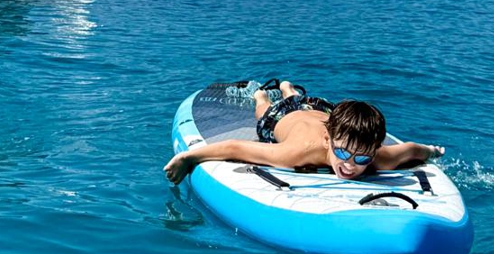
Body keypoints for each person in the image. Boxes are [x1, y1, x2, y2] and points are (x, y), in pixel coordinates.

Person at [164, 79, 445, 184]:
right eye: (342, 152)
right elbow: (235, 148)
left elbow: (410, 149)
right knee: (263, 113)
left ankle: (289, 89)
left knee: (299, 98)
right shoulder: (295, 152)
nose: (349, 165)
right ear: (328, 140)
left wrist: (432, 151)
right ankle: (265, 95)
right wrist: (188, 158)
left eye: (361, 159)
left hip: (323, 109)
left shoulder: (377, 157)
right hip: (283, 118)